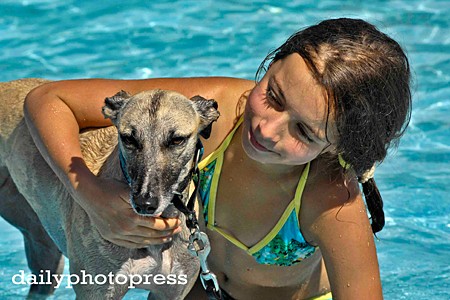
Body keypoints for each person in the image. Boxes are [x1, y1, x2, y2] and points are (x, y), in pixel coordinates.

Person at [23, 18, 411, 299]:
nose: (266, 127)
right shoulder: (217, 109)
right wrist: (89, 194)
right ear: (271, 64)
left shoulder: (329, 199)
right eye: (273, 95)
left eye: (304, 131)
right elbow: (48, 100)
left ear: (336, 148)